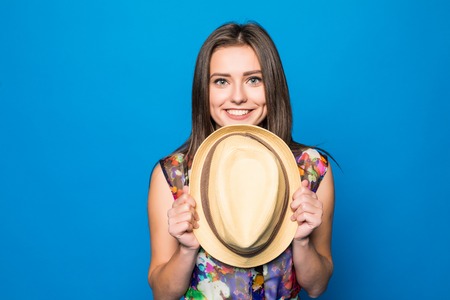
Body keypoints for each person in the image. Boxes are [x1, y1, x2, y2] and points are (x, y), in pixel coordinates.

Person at [147, 21, 335, 299]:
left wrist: (303, 241)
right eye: (221, 81)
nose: (237, 97)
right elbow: (162, 294)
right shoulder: (174, 174)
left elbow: (317, 287)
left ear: (273, 86)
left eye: (254, 80)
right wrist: (187, 249)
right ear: (204, 90)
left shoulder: (310, 169)